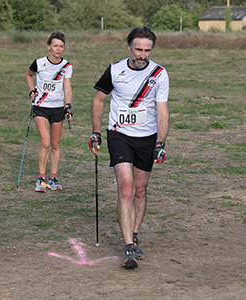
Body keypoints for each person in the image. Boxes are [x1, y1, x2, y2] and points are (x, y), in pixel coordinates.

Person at [89, 26, 169, 269]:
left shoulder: (159, 74)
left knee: (140, 190)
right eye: (138, 49)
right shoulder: (115, 70)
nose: (142, 55)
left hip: (147, 137)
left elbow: (162, 110)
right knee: (126, 189)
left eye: (147, 50)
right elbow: (99, 99)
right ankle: (128, 247)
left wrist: (160, 143)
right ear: (129, 47)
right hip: (119, 134)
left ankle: (134, 233)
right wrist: (96, 131)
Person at [25, 30, 73, 192]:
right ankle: (41, 178)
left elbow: (67, 87)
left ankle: (53, 178)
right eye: (55, 46)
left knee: (55, 145)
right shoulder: (39, 63)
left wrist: (68, 105)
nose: (58, 49)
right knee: (45, 142)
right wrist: (32, 90)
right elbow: (28, 75)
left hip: (57, 108)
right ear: (49, 47)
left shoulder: (66, 66)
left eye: (61, 46)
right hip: (41, 107)